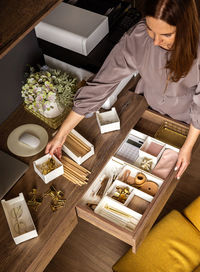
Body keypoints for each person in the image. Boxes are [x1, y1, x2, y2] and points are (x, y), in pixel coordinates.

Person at [46, 0, 200, 180]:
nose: (156, 41)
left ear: (185, 27)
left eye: (166, 34)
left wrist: (187, 147)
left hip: (188, 118)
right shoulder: (140, 36)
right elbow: (102, 83)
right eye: (151, 30)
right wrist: (62, 134)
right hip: (149, 104)